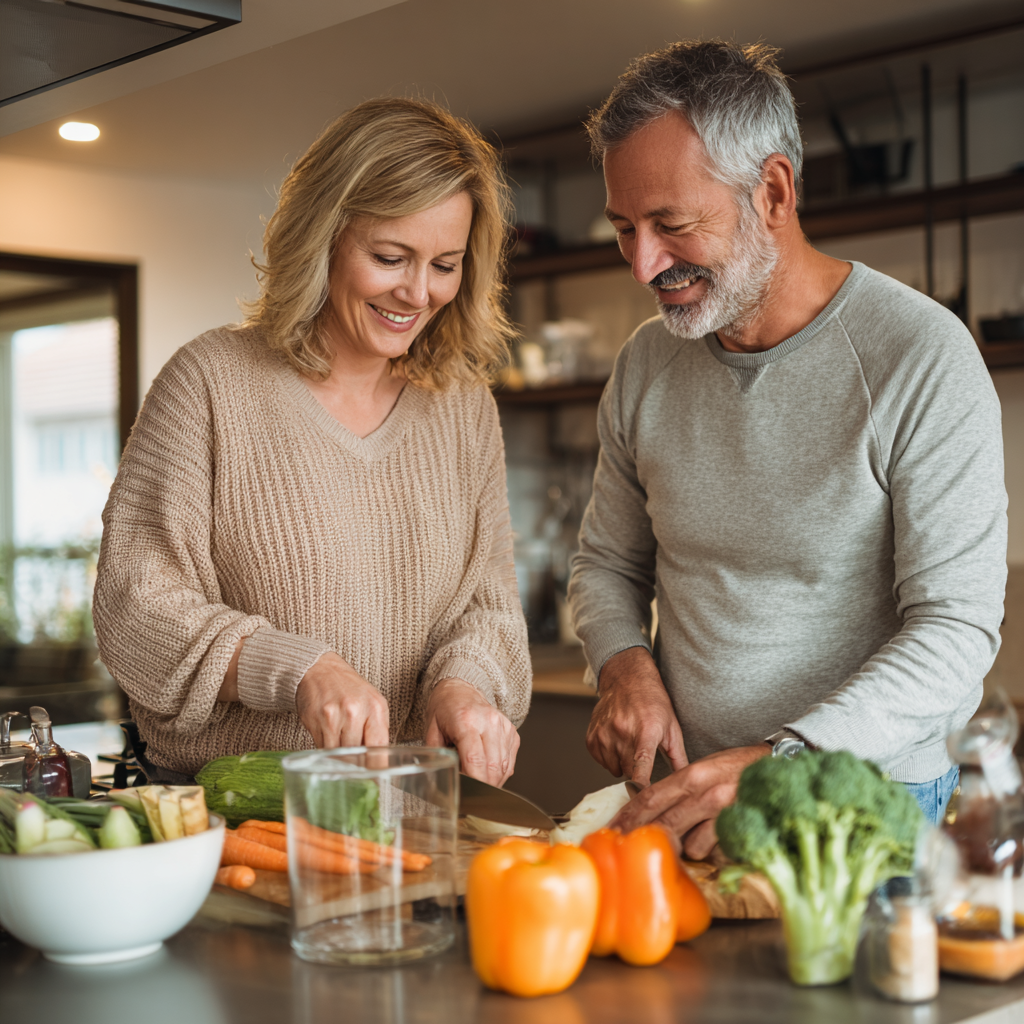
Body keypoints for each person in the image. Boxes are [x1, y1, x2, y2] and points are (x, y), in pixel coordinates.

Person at [568, 41, 1006, 852]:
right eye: (625, 228)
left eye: (672, 224)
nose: (643, 264)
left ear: (772, 191)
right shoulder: (644, 365)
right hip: (689, 791)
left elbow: (955, 630)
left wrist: (780, 760)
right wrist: (622, 662)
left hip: (869, 798)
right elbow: (606, 564)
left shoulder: (919, 356)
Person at [94, 98, 530, 785]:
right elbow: (136, 603)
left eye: (445, 264)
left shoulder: (463, 407)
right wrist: (296, 670)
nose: (417, 292)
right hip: (233, 819)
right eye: (391, 257)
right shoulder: (209, 383)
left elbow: (489, 604)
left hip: (408, 817)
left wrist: (464, 684)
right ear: (323, 235)